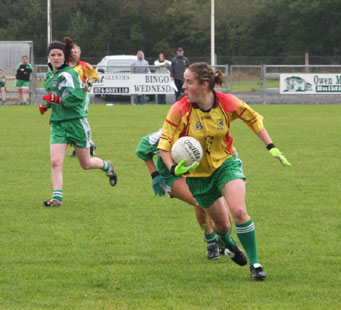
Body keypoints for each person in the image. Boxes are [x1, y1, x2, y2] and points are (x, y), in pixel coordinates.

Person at [158, 62, 291, 281]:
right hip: (198, 177)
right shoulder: (180, 109)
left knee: (238, 211)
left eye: (189, 82)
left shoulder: (226, 102)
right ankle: (229, 245)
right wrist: (173, 167)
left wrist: (271, 146)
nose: (183, 87)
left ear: (204, 84)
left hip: (226, 163)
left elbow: (253, 119)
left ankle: (255, 264)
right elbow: (164, 144)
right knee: (223, 226)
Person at [39, 37, 118, 207]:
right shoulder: (50, 75)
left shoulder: (70, 73)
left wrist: (57, 99)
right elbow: (54, 95)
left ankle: (107, 166)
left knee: (86, 164)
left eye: (59, 54)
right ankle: (57, 198)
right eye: (52, 55)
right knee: (55, 161)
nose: (55, 58)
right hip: (58, 123)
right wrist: (47, 104)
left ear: (64, 56)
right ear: (49, 57)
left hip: (76, 123)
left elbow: (77, 97)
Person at [136, 128, 234, 260]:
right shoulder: (171, 129)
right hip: (172, 175)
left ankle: (224, 239)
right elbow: (142, 147)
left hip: (202, 174)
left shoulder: (210, 128)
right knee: (199, 201)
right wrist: (154, 174)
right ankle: (211, 241)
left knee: (224, 210)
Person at [68, 44, 100, 157]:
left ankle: (84, 145)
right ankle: (86, 145)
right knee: (72, 120)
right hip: (69, 97)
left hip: (82, 95)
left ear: (79, 54)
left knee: (80, 118)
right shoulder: (65, 66)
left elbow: (95, 76)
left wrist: (89, 83)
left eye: (76, 52)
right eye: (72, 52)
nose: (74, 54)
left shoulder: (84, 65)